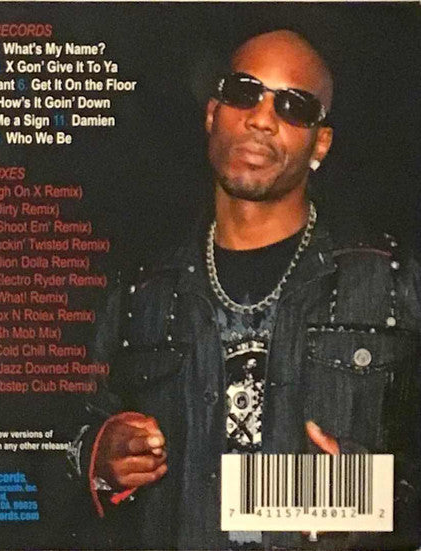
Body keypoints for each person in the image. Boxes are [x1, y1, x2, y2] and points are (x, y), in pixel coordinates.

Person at [67, 30, 420, 550]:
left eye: (294, 106)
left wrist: (376, 492)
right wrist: (98, 456)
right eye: (244, 92)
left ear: (320, 143)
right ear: (213, 114)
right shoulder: (140, 289)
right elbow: (62, 433)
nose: (261, 118)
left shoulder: (395, 282)